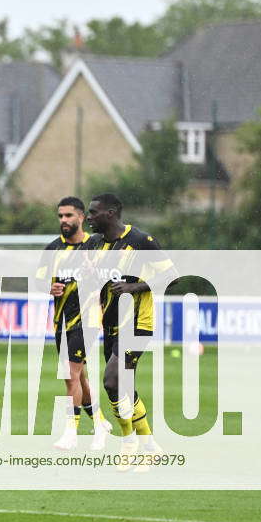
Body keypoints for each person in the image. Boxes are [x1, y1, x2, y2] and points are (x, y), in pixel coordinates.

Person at [86, 193, 174, 471]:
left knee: (112, 381)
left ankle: (129, 442)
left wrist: (135, 287)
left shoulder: (141, 241)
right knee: (123, 385)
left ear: (110, 213)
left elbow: (170, 275)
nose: (89, 217)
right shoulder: (96, 245)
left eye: (93, 212)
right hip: (110, 326)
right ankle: (151, 448)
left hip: (138, 323)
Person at [37, 197, 111, 451]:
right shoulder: (52, 250)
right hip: (61, 321)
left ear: (81, 217)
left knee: (70, 375)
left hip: (87, 320)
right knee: (80, 377)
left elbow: (111, 280)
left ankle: (71, 431)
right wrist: (49, 287)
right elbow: (38, 281)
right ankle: (100, 423)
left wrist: (96, 277)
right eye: (60, 216)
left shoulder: (97, 246)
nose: (64, 221)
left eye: (69, 216)